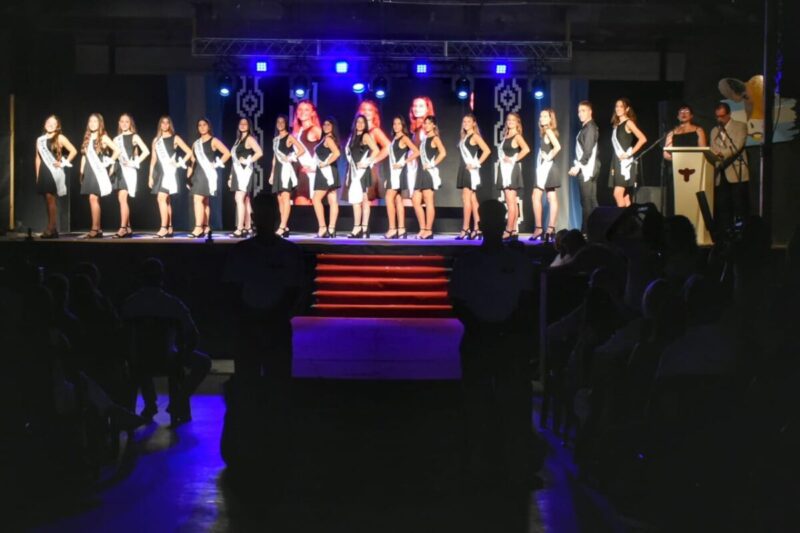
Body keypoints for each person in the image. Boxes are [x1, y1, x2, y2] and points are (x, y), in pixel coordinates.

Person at [449, 199, 540, 487]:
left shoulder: (511, 262)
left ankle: (502, 465)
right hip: (487, 337)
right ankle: (483, 464)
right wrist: (486, 327)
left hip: (501, 337)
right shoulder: (470, 262)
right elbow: (458, 301)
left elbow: (525, 301)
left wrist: (495, 328)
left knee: (506, 404)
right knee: (483, 403)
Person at [223, 191, 305, 377]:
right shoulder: (288, 252)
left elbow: (231, 290)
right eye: (264, 215)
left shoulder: (242, 251)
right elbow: (296, 291)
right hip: (258, 324)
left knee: (262, 378)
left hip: (267, 324)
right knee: (267, 379)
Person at [121, 257, 211, 425]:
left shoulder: (130, 304)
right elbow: (194, 335)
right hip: (168, 359)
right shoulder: (173, 304)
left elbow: (122, 336)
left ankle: (150, 404)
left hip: (139, 360)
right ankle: (178, 401)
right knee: (204, 362)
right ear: (162, 278)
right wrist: (182, 355)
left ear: (140, 278)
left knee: (141, 355)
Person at [148, 116, 193, 238]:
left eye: (167, 123)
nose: (165, 125)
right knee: (166, 201)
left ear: (170, 125)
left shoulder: (175, 138)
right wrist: (150, 176)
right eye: (162, 123)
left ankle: (163, 228)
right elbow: (153, 159)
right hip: (159, 173)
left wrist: (178, 163)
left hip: (170, 173)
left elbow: (189, 152)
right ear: (160, 125)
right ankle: (169, 227)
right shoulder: (156, 140)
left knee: (161, 198)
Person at [187, 118, 231, 238]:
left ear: (209, 126)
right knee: (205, 201)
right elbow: (192, 161)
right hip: (197, 174)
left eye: (204, 125)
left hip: (207, 174)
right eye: (199, 125)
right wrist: (188, 176)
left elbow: (227, 153)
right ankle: (206, 227)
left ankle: (198, 228)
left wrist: (216, 164)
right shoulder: (195, 143)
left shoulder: (213, 140)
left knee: (198, 199)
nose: (202, 127)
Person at [35, 115, 78, 239]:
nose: (50, 125)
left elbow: (73, 151)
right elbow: (37, 158)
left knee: (51, 198)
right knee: (47, 199)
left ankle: (51, 228)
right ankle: (52, 229)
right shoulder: (40, 140)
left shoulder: (60, 137)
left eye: (53, 123)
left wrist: (63, 163)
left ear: (57, 126)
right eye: (48, 122)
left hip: (54, 171)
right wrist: (37, 175)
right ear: (45, 124)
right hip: (44, 171)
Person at [79, 113, 121, 239]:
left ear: (100, 123)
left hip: (98, 171)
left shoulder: (103, 137)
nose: (92, 123)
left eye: (95, 121)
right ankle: (98, 228)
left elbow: (117, 150)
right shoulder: (87, 138)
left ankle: (95, 228)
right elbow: (84, 156)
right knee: (93, 199)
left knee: (93, 198)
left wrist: (109, 161)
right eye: (90, 121)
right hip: (89, 171)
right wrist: (81, 171)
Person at [710, 102, 750, 231]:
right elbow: (713, 147)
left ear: (729, 114)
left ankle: (741, 233)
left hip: (736, 170)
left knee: (739, 204)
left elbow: (737, 145)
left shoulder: (740, 126)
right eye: (717, 116)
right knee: (723, 205)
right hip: (720, 172)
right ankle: (725, 232)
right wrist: (716, 154)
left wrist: (722, 153)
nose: (719, 119)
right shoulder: (714, 130)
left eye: (722, 116)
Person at [662, 104, 707, 216]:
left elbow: (703, 151)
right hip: (676, 170)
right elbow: (666, 153)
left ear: (691, 115)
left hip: (694, 170)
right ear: (677, 116)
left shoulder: (698, 130)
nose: (683, 114)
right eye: (681, 112)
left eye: (686, 111)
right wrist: (677, 160)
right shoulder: (672, 133)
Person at [111, 113, 150, 238]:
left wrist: (134, 162)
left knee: (123, 198)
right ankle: (128, 227)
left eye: (127, 121)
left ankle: (122, 228)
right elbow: (114, 157)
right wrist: (110, 171)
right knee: (121, 199)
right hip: (118, 170)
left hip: (128, 170)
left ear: (130, 123)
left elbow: (146, 151)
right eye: (122, 121)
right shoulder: (116, 139)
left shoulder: (134, 136)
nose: (124, 124)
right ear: (119, 123)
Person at [269, 115, 306, 238]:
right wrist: (272, 173)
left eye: (282, 122)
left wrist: (290, 157)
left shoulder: (289, 137)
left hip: (285, 170)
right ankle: (285, 227)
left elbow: (302, 150)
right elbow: (274, 158)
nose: (280, 124)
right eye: (278, 122)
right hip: (278, 171)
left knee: (285, 198)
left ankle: (282, 226)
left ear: (286, 124)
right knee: (280, 199)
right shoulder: (275, 140)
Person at [456, 113, 491, 240]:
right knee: (472, 200)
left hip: (470, 171)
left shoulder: (475, 136)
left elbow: (487, 150)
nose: (466, 124)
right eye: (464, 121)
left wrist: (476, 164)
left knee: (466, 199)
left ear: (474, 123)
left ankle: (465, 228)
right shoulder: (465, 137)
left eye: (468, 121)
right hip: (465, 169)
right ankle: (477, 228)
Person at [496, 112, 531, 241]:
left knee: (510, 202)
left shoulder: (517, 136)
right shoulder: (506, 135)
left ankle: (508, 230)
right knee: (511, 202)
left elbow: (526, 149)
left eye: (513, 120)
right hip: (505, 170)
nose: (510, 121)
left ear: (517, 123)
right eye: (508, 119)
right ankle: (514, 230)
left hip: (511, 171)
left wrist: (513, 159)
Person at [385, 115, 419, 239]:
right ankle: (401, 229)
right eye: (394, 124)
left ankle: (392, 229)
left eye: (399, 123)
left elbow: (416, 152)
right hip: (394, 173)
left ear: (403, 125)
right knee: (398, 200)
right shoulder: (394, 138)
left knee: (389, 197)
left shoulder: (404, 138)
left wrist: (403, 162)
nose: (396, 126)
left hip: (399, 173)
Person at [344, 114, 379, 238]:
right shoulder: (352, 137)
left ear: (365, 125)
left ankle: (362, 228)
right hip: (353, 172)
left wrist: (366, 162)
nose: (360, 124)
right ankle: (359, 228)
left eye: (362, 122)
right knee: (356, 200)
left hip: (362, 173)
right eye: (358, 122)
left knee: (363, 200)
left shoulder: (365, 136)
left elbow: (376, 150)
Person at [228, 118, 264, 238]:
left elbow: (259, 152)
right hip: (237, 172)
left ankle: (240, 229)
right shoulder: (238, 140)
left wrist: (248, 160)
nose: (243, 125)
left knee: (239, 198)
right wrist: (231, 176)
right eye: (241, 123)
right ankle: (248, 227)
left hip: (244, 173)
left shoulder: (249, 139)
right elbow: (234, 159)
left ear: (249, 126)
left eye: (245, 124)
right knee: (246, 200)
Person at [568, 101, 600, 233]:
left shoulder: (590, 128)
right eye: (579, 111)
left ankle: (586, 232)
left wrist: (578, 166)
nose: (580, 114)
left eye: (583, 111)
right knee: (590, 201)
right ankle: (595, 230)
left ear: (590, 112)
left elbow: (587, 151)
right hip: (588, 167)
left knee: (587, 202)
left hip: (587, 168)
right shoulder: (586, 127)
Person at [609, 98, 647, 207]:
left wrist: (629, 154)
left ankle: (622, 217)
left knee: (617, 194)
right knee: (625, 196)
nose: (618, 108)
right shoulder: (616, 125)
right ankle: (629, 216)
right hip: (617, 161)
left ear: (627, 109)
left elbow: (643, 139)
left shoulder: (628, 123)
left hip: (625, 164)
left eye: (621, 106)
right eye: (617, 106)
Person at [413, 115, 447, 240]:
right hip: (420, 172)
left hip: (428, 173)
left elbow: (443, 153)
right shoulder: (425, 139)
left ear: (433, 125)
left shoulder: (435, 138)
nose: (426, 125)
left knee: (428, 202)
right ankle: (422, 229)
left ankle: (428, 230)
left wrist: (432, 164)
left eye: (429, 123)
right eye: (425, 123)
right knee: (415, 200)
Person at [531, 108, 562, 242]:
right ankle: (545, 229)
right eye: (541, 116)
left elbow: (558, 147)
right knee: (546, 196)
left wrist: (548, 157)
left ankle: (546, 228)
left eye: (545, 116)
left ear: (550, 119)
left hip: (548, 168)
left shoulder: (549, 131)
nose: (542, 118)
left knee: (547, 197)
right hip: (544, 168)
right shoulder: (545, 132)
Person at [311, 117, 342, 238]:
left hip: (326, 172)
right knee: (332, 200)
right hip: (330, 171)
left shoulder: (329, 139)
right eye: (324, 124)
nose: (326, 126)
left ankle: (323, 228)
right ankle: (331, 229)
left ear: (333, 127)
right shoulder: (327, 138)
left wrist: (325, 163)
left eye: (329, 124)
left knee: (316, 199)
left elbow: (337, 153)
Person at [357, 99, 391, 202]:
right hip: (359, 171)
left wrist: (373, 160)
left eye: (370, 110)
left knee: (368, 202)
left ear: (374, 113)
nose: (366, 112)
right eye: (364, 109)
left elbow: (388, 147)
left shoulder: (374, 131)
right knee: (360, 202)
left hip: (369, 172)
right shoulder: (359, 131)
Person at [291, 100, 321, 206]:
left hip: (307, 176)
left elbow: (332, 150)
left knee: (303, 210)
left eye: (306, 110)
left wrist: (315, 168)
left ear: (312, 113)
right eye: (300, 109)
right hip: (296, 174)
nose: (302, 112)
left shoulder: (315, 130)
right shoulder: (296, 132)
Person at [406, 96, 435, 199]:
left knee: (421, 200)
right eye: (415, 106)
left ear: (427, 109)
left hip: (420, 171)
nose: (417, 108)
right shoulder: (417, 129)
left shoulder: (425, 129)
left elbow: (426, 151)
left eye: (421, 106)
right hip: (413, 169)